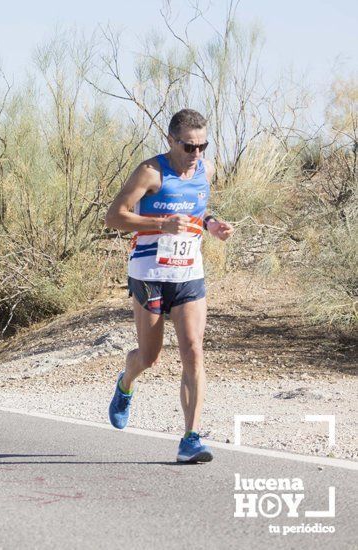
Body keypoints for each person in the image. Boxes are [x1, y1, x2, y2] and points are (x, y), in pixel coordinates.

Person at [105, 108, 234, 463]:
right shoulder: (151, 171)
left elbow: (197, 209)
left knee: (193, 349)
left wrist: (211, 224)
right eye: (189, 147)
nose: (196, 154)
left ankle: (190, 438)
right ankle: (125, 383)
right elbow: (114, 216)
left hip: (189, 272)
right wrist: (161, 224)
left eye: (202, 146)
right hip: (149, 272)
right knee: (149, 357)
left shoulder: (206, 170)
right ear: (171, 141)